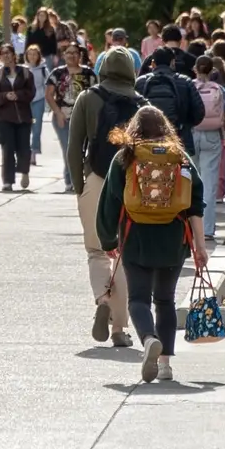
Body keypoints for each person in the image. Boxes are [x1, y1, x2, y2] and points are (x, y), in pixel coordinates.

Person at [96, 105, 208, 382]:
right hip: (173, 238)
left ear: (134, 128)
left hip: (136, 237)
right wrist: (200, 247)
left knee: (138, 298)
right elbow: (196, 203)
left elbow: (109, 202)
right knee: (165, 300)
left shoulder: (125, 157)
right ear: (165, 128)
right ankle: (166, 364)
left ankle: (148, 340)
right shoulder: (179, 158)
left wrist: (108, 238)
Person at [68, 46, 141, 347]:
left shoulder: (88, 98)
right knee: (122, 256)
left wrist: (79, 187)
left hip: (97, 179)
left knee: (97, 252)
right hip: (130, 184)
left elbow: (75, 148)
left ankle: (102, 299)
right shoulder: (143, 103)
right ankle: (120, 330)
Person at [191, 55, 225, 242]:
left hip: (192, 135)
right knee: (209, 184)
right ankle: (207, 230)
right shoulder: (219, 89)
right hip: (213, 137)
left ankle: (191, 229)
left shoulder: (189, 87)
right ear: (211, 70)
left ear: (195, 69)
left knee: (190, 181)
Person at [137, 29, 206, 137]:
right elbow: (199, 112)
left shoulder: (141, 82)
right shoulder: (185, 80)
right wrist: (185, 125)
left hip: (147, 140)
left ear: (153, 64)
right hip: (180, 137)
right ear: (173, 63)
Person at [0, 43, 36, 192]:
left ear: (14, 55)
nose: (6, 56)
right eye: (3, 53)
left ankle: (24, 172)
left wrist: (19, 95)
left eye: (9, 53)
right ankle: (7, 181)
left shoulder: (26, 73)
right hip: (3, 117)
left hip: (23, 116)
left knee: (24, 147)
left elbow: (31, 92)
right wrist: (5, 96)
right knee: (7, 148)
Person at [48, 42, 93, 190]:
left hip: (83, 117)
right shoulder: (57, 73)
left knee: (82, 149)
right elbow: (49, 95)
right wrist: (58, 113)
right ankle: (70, 181)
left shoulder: (89, 74)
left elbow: (95, 94)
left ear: (80, 55)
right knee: (68, 148)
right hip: (63, 116)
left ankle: (80, 178)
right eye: (69, 52)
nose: (72, 55)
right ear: (64, 55)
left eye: (75, 53)